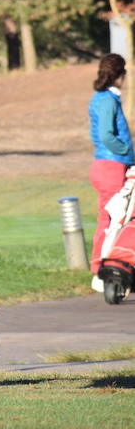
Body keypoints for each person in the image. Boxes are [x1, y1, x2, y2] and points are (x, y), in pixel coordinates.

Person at [88, 54, 134, 285]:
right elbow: (106, 135)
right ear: (120, 75)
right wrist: (127, 150)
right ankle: (100, 270)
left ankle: (106, 266)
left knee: (110, 218)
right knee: (110, 220)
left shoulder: (104, 98)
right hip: (111, 165)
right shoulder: (107, 100)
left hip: (107, 165)